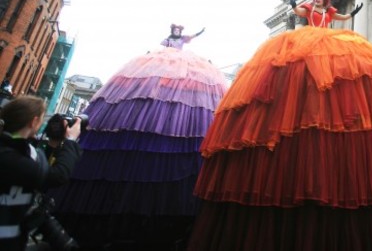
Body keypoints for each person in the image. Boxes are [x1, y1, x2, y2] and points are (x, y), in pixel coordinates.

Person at [188, 0, 372, 250]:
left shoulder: (330, 13)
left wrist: (353, 12)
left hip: (329, 45)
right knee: (301, 86)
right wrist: (294, 3)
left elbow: (341, 18)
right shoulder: (308, 11)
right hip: (305, 42)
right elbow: (296, 10)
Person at [50, 24, 229, 249]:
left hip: (175, 70)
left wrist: (201, 32)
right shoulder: (166, 44)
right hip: (162, 66)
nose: (176, 31)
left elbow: (191, 36)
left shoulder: (183, 42)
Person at [0, 96, 82, 251]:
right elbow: (57, 176)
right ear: (34, 122)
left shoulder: (20, 151)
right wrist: (70, 140)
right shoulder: (12, 157)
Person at [290, 0, 363, 28]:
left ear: (324, 0)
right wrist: (294, 5)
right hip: (312, 38)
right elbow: (298, 11)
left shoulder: (328, 11)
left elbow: (342, 17)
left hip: (325, 39)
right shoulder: (309, 9)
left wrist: (354, 12)